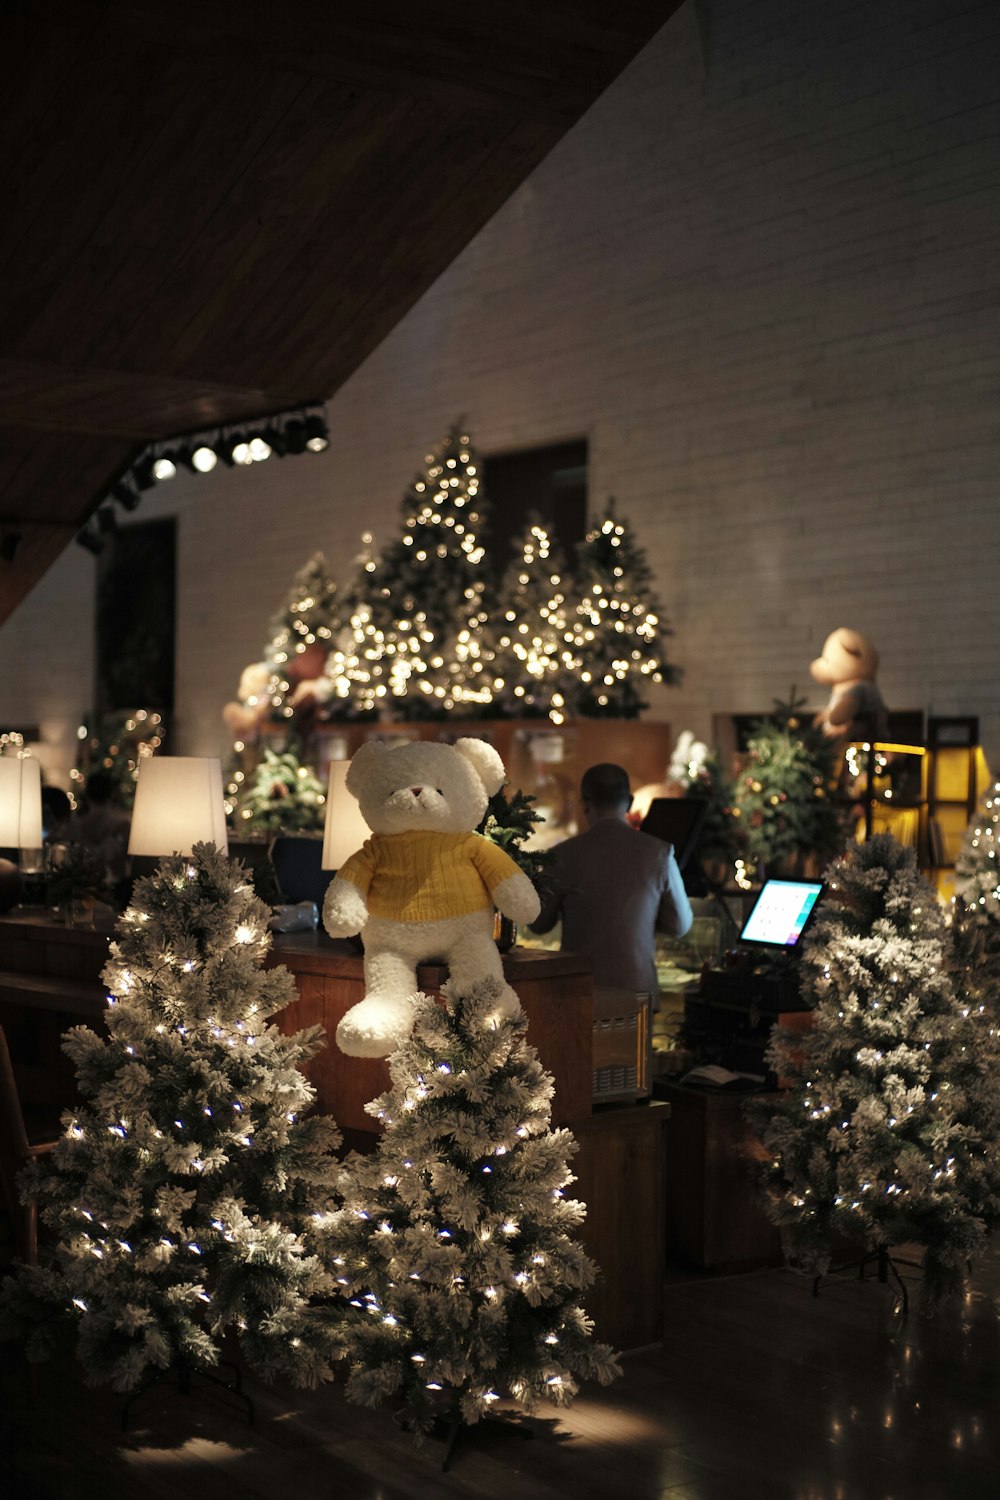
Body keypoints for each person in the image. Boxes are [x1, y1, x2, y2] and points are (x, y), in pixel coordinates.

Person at [531, 762, 693, 1002]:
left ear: (585, 804)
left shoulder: (563, 855)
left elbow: (539, 924)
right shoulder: (660, 853)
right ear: (629, 802)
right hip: (638, 997)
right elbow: (680, 925)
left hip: (580, 994)